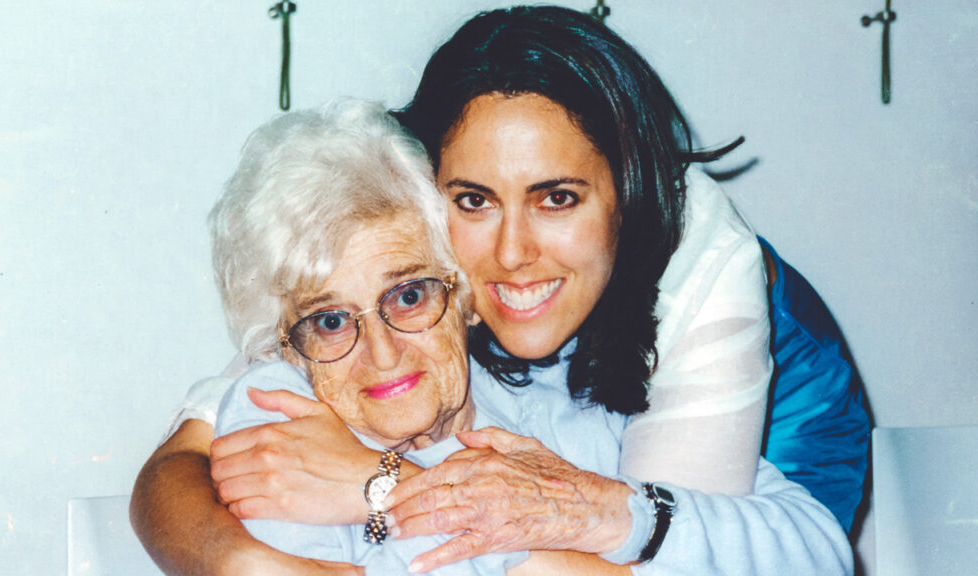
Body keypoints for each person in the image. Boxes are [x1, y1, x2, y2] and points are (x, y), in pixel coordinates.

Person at [130, 5, 869, 574]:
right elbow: (188, 453)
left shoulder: (575, 412)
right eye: (475, 201)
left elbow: (813, 549)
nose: (512, 255)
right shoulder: (287, 396)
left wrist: (392, 488)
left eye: (409, 297)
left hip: (772, 401)